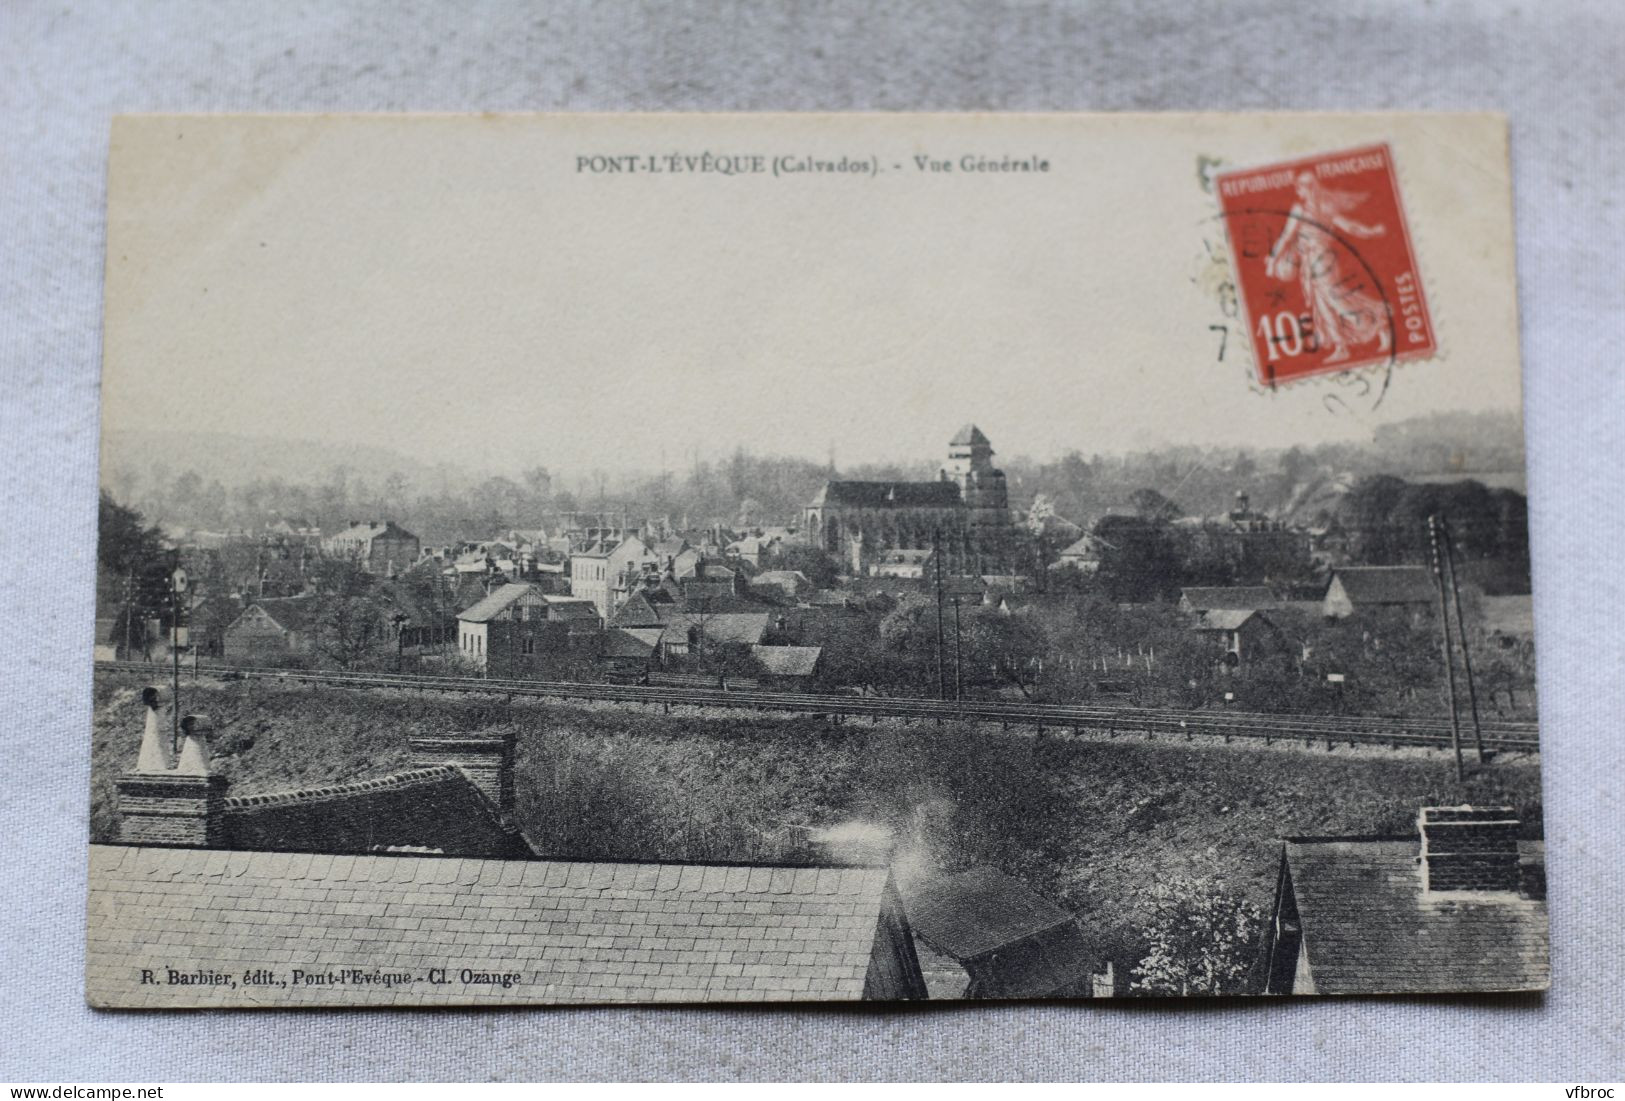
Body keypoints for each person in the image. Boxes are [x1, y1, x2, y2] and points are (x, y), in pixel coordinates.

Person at [1265, 172, 1391, 364]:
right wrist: (1371, 231)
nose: (1298, 191)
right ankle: (1342, 347)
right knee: (1323, 303)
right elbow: (1349, 227)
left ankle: (1379, 322)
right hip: (1313, 260)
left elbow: (1287, 236)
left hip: (1321, 260)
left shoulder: (1305, 209)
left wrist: (1273, 261)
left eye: (1300, 188)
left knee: (1335, 300)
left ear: (1308, 188)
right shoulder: (1321, 207)